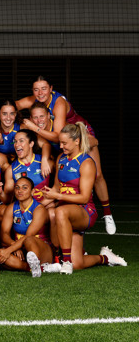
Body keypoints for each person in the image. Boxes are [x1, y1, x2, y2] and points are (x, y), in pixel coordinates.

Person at [16, 75, 116, 234]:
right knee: (56, 167)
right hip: (62, 142)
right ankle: (59, 209)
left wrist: (33, 127)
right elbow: (13, 106)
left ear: (51, 89)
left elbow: (57, 135)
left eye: (43, 89)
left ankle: (107, 213)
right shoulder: (34, 101)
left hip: (79, 134)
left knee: (96, 175)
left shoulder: (58, 103)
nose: (40, 92)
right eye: (36, 89)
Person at [41, 123, 126, 274]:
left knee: (58, 212)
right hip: (66, 213)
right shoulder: (61, 158)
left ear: (77, 141)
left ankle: (65, 262)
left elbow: (84, 198)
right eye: (60, 142)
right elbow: (56, 187)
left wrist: (57, 196)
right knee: (78, 263)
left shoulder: (86, 163)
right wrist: (40, 204)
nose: (61, 146)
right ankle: (105, 257)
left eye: (64, 143)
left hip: (85, 211)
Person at [0, 177, 58, 277]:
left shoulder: (39, 209)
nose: (20, 191)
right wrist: (14, 246)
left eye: (24, 188)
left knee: (29, 240)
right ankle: (39, 268)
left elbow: (29, 235)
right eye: (17, 188)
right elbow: (4, 234)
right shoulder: (11, 207)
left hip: (42, 250)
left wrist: (9, 250)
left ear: (32, 191)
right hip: (21, 249)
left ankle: (39, 264)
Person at [3, 129, 54, 207]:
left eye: (21, 141)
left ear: (31, 144)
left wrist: (42, 205)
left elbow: (60, 186)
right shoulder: (11, 170)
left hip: (45, 206)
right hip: (24, 210)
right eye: (15, 141)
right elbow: (7, 199)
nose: (17, 144)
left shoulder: (46, 162)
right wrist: (0, 192)